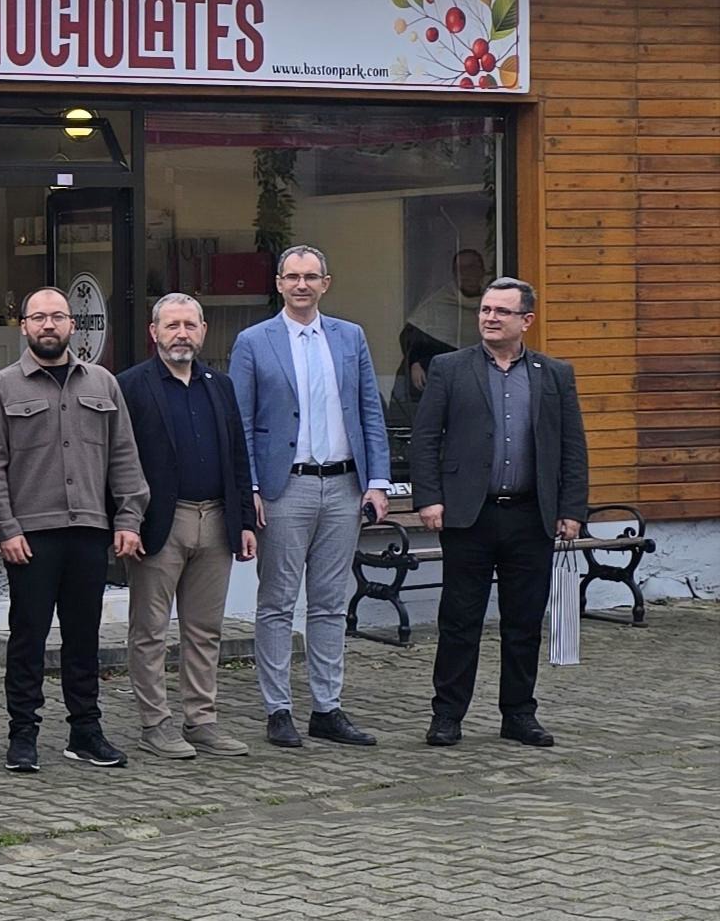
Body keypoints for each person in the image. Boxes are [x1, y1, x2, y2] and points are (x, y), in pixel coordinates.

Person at [411, 277, 588, 749]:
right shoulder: (450, 368)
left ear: (526, 320)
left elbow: (572, 446)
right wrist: (429, 498)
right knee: (459, 620)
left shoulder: (555, 374)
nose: (490, 318)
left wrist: (571, 508)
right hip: (469, 516)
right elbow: (425, 438)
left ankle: (519, 714)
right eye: (485, 310)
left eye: (501, 311)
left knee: (524, 622)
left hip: (531, 517)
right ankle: (447, 715)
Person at [0, 289, 147, 775]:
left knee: (83, 638)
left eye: (57, 317)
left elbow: (124, 456)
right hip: (30, 537)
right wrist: (5, 529)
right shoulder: (0, 388)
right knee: (27, 639)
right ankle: (22, 736)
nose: (48, 325)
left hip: (90, 532)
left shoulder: (103, 384)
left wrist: (129, 519)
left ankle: (85, 733)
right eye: (38, 317)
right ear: (24, 327)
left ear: (73, 324)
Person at [229, 245, 391, 750]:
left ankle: (327, 707)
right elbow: (240, 422)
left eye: (311, 277)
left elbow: (370, 410)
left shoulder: (350, 337)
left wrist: (378, 481)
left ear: (326, 283)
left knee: (329, 603)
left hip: (344, 486)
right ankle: (278, 709)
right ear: (278, 283)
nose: (302, 285)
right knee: (277, 603)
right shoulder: (253, 342)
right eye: (292, 277)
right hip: (285, 488)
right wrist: (251, 488)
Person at [117, 295, 258, 760]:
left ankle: (201, 720)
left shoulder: (220, 385)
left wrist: (243, 521)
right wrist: (127, 521)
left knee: (205, 630)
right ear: (153, 332)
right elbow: (118, 460)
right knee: (150, 630)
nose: (181, 334)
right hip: (160, 521)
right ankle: (155, 724)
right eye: (172, 325)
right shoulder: (130, 386)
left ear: (203, 331)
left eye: (190, 325)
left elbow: (238, 456)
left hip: (216, 520)